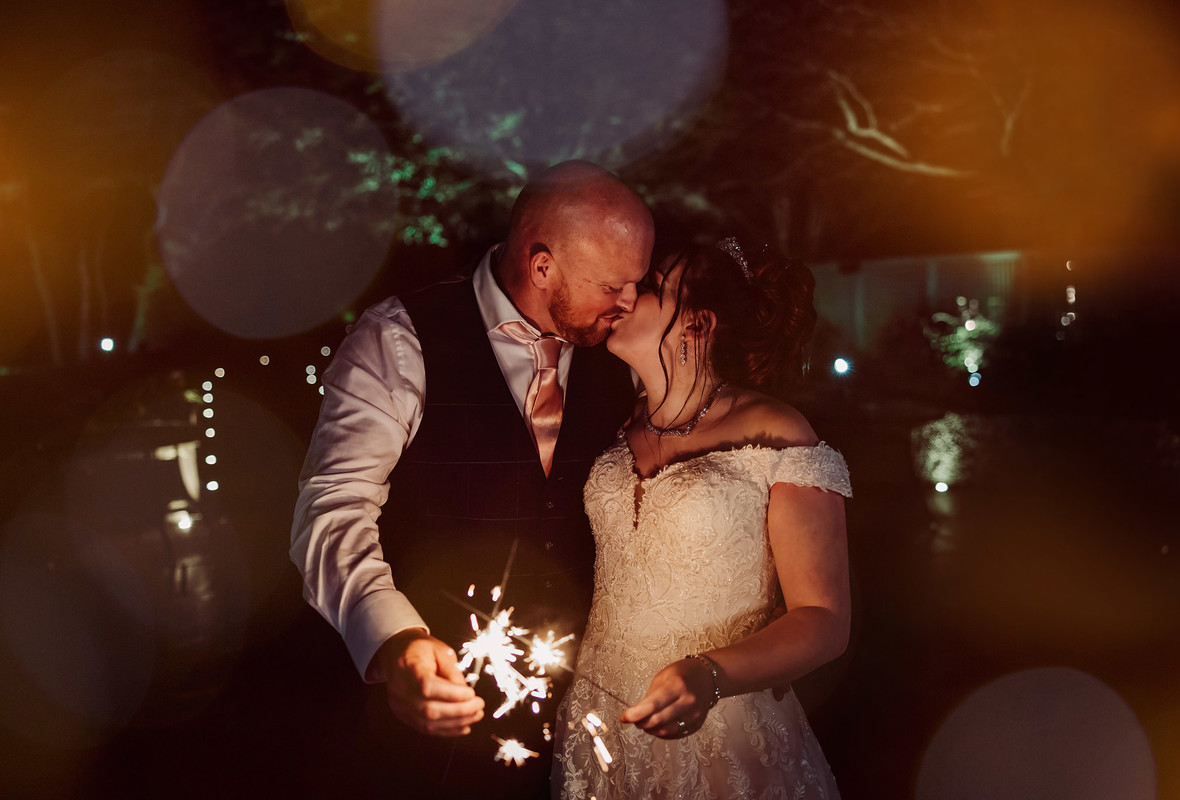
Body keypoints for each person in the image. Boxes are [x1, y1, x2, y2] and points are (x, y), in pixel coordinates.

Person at [290, 160, 655, 798]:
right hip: (434, 740)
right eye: (614, 286)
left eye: (638, 283)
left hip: (593, 725)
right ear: (543, 266)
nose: (630, 303)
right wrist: (395, 639)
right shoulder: (397, 341)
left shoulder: (617, 357)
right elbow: (332, 507)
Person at [552, 239, 852, 799]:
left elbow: (824, 617)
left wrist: (710, 674)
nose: (627, 293)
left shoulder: (778, 431)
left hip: (724, 731)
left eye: (652, 287)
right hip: (600, 717)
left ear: (698, 323)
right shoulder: (612, 419)